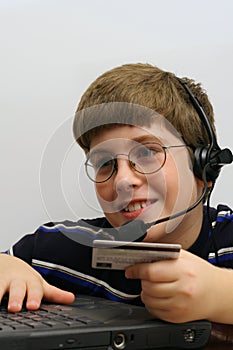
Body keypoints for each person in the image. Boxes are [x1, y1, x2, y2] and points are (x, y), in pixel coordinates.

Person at [1, 63, 233, 325]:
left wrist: (222, 293)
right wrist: (7, 267)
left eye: (146, 153)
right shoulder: (66, 247)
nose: (122, 180)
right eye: (104, 163)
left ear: (204, 169)